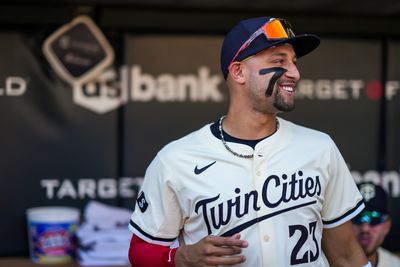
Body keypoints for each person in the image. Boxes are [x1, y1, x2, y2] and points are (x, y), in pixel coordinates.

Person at [128, 16, 371, 266]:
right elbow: (139, 251)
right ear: (238, 72)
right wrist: (181, 257)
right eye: (279, 61)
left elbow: (345, 255)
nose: (295, 73)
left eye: (294, 63)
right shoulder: (176, 160)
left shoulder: (320, 148)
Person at [352, 182, 400, 267]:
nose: (365, 229)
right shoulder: (325, 263)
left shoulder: (396, 264)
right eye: (357, 217)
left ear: (387, 226)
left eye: (375, 219)